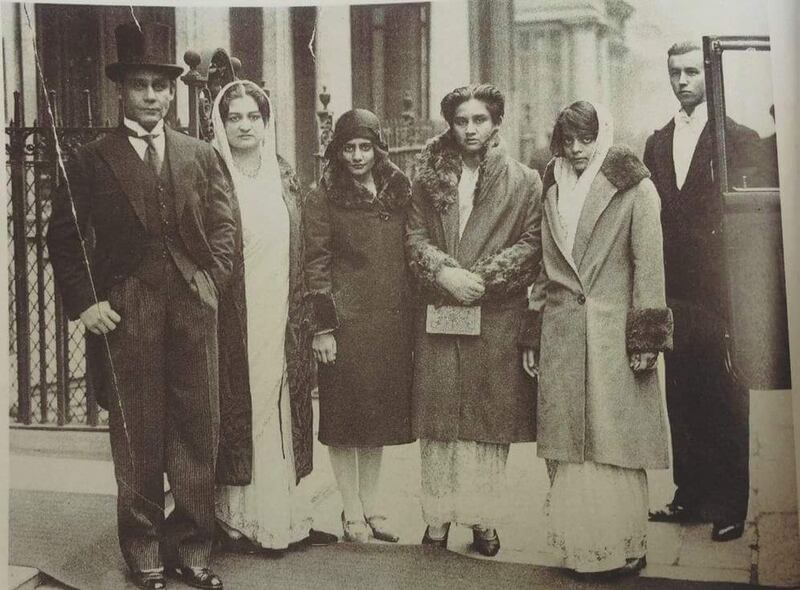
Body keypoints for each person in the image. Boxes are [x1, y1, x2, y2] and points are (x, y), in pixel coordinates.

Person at [46, 23, 234, 590]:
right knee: (137, 433)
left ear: (172, 92)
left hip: (192, 303)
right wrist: (86, 305)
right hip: (125, 306)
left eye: (160, 85)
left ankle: (194, 548)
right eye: (140, 85)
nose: (151, 95)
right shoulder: (90, 159)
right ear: (121, 91)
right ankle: (145, 550)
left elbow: (226, 228)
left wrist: (211, 281)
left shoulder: (198, 155)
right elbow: (65, 238)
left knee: (198, 427)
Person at [521, 100, 673, 578]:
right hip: (563, 333)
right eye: (568, 140)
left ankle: (623, 544)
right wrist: (533, 335)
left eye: (586, 139)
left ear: (602, 135)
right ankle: (582, 548)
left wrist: (646, 337)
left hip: (612, 336)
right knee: (573, 448)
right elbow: (542, 270)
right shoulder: (551, 184)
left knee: (614, 445)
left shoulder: (635, 186)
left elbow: (648, 265)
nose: (577, 149)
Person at [406, 84, 542, 557]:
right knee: (439, 417)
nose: (470, 129)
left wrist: (479, 278)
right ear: (450, 124)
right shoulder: (426, 178)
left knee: (488, 419)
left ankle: (484, 518)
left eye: (479, 119)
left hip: (494, 312)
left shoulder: (524, 181)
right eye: (461, 120)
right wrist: (443, 272)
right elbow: (413, 234)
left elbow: (531, 243)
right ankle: (437, 517)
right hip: (441, 308)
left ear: (496, 123)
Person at [209, 80, 337, 552]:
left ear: (267, 123)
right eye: (234, 117)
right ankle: (237, 519)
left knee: (285, 401)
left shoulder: (282, 172)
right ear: (221, 125)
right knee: (244, 402)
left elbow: (301, 244)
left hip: (283, 305)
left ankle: (285, 516)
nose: (245, 125)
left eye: (253, 117)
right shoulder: (211, 172)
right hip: (234, 310)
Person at [644, 41, 759, 542]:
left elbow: (750, 228)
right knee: (681, 390)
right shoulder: (657, 141)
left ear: (709, 75)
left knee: (727, 392)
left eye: (692, 71)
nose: (683, 80)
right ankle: (689, 493)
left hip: (721, 290)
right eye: (675, 72)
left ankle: (731, 502)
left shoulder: (740, 138)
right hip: (674, 287)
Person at [304, 109, 415, 543]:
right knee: (345, 420)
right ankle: (350, 511)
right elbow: (316, 262)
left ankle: (374, 507)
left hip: (389, 323)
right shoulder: (323, 196)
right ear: (337, 150)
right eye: (348, 147)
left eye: (365, 147)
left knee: (377, 419)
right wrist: (322, 328)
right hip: (345, 325)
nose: (356, 156)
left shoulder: (398, 190)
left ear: (377, 147)